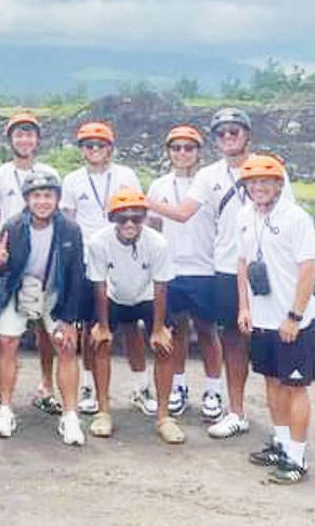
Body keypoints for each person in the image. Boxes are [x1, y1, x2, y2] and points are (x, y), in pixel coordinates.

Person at [147, 108, 295, 440]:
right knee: (233, 340)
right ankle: (237, 411)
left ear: (247, 134)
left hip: (270, 268)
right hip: (228, 266)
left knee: (276, 343)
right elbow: (185, 213)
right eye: (222, 133)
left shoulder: (270, 168)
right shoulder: (208, 176)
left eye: (234, 131)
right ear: (215, 140)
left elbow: (289, 215)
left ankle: (285, 429)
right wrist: (144, 202)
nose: (228, 137)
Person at [236, 154, 315, 484]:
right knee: (271, 381)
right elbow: (242, 264)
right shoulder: (245, 216)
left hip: (292, 320)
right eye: (253, 182)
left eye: (266, 182)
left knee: (295, 386)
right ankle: (282, 444)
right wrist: (244, 307)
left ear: (279, 185)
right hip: (262, 319)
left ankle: (297, 458)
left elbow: (309, 268)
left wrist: (294, 316)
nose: (259, 188)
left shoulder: (296, 218)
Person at [0, 173, 85, 445]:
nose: (42, 201)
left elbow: (77, 274)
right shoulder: (13, 226)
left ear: (57, 198)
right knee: (6, 341)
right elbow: (0, 271)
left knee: (67, 345)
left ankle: (70, 415)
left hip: (55, 289)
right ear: (27, 199)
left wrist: (68, 319)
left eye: (48, 195)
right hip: (19, 289)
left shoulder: (70, 229)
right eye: (36, 196)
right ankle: (5, 408)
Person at [85, 189, 183, 444]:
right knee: (100, 342)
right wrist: (103, 326)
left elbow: (161, 285)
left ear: (145, 219)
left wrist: (159, 328)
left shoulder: (157, 243)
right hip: (114, 294)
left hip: (149, 296)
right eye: (122, 218)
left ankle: (164, 416)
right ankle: (103, 410)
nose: (129, 223)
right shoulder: (98, 242)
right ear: (112, 219)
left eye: (136, 218)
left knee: (166, 346)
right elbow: (99, 284)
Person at [59, 121, 142, 416]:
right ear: (82, 150)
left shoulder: (126, 175)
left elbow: (136, 214)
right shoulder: (72, 180)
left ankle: (140, 385)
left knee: (131, 323)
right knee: (88, 325)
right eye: (88, 145)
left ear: (111, 148)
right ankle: (88, 385)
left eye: (100, 145)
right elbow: (68, 222)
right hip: (86, 258)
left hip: (123, 255)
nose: (94, 150)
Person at [147, 125, 225, 422]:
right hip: (171, 270)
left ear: (198, 153)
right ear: (168, 152)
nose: (182, 153)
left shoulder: (208, 184)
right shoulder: (159, 185)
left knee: (207, 330)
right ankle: (177, 387)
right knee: (176, 330)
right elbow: (153, 229)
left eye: (188, 148)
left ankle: (213, 390)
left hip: (204, 268)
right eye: (176, 148)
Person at [0, 111, 61, 415]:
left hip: (45, 260)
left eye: (29, 134)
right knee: (2, 331)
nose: (24, 139)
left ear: (38, 140)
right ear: (10, 139)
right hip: (11, 261)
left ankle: (46, 386)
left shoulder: (50, 172)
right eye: (18, 134)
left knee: (46, 329)